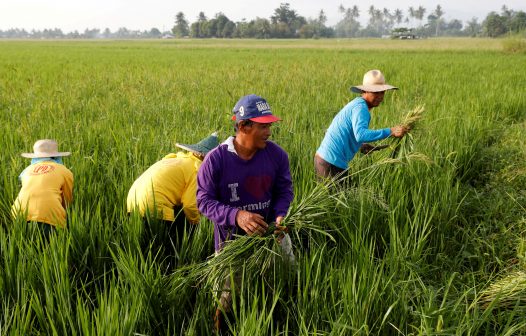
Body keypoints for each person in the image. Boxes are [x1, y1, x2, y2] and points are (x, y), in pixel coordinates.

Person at [196, 94, 294, 333]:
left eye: (270, 125)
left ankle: (277, 323)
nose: (269, 131)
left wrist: (280, 216)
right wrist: (236, 216)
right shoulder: (216, 160)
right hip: (232, 245)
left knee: (284, 284)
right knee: (227, 300)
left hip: (272, 238)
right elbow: (203, 201)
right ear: (243, 126)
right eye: (263, 126)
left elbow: (285, 191)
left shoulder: (277, 155)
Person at [127, 133, 219, 250]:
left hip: (132, 201)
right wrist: (197, 227)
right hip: (154, 204)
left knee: (143, 247)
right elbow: (190, 205)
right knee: (165, 248)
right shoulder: (196, 169)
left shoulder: (178, 160)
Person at [315, 69, 409, 179]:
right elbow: (361, 135)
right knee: (348, 195)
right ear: (364, 91)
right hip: (330, 162)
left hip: (324, 160)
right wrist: (391, 131)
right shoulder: (361, 108)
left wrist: (361, 145)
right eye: (375, 92)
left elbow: (350, 132)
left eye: (382, 92)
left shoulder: (357, 104)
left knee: (346, 194)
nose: (380, 96)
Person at [12, 139, 74, 236]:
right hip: (49, 214)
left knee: (25, 242)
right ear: (56, 156)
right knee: (50, 246)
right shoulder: (64, 171)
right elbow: (67, 199)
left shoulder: (26, 171)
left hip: (18, 213)